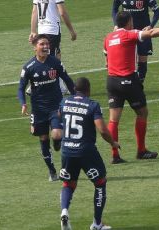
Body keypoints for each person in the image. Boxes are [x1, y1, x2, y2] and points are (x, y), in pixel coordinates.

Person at [103, 11, 159, 164]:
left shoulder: (108, 38)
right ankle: (141, 150)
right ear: (128, 22)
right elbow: (152, 33)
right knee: (142, 113)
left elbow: (107, 60)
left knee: (114, 120)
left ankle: (115, 155)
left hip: (111, 81)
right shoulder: (129, 34)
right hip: (128, 80)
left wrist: (143, 32)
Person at [59, 77, 118, 230]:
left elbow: (58, 121)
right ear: (88, 90)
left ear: (74, 89)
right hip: (86, 151)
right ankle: (97, 224)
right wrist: (113, 143)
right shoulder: (92, 105)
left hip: (67, 150)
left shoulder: (64, 102)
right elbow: (103, 130)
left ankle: (64, 211)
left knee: (69, 183)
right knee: (100, 183)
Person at [18, 34, 76, 181]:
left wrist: (76, 96)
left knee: (56, 134)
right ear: (35, 47)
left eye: (47, 44)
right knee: (43, 138)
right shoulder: (29, 67)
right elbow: (21, 88)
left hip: (56, 106)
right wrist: (23, 103)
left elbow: (67, 79)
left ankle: (57, 143)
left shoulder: (55, 63)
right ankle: (52, 171)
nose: (45, 47)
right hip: (38, 109)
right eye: (42, 44)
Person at [29, 0, 77, 95]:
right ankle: (34, 84)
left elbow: (34, 11)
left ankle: (61, 86)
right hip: (52, 31)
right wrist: (72, 31)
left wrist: (33, 31)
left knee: (56, 55)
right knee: (50, 61)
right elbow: (62, 13)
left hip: (42, 30)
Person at [112, 0, 159, 83]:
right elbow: (114, 9)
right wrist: (116, 24)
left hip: (143, 32)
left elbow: (157, 11)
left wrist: (151, 26)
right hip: (126, 33)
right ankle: (125, 83)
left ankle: (139, 85)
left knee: (142, 60)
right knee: (125, 59)